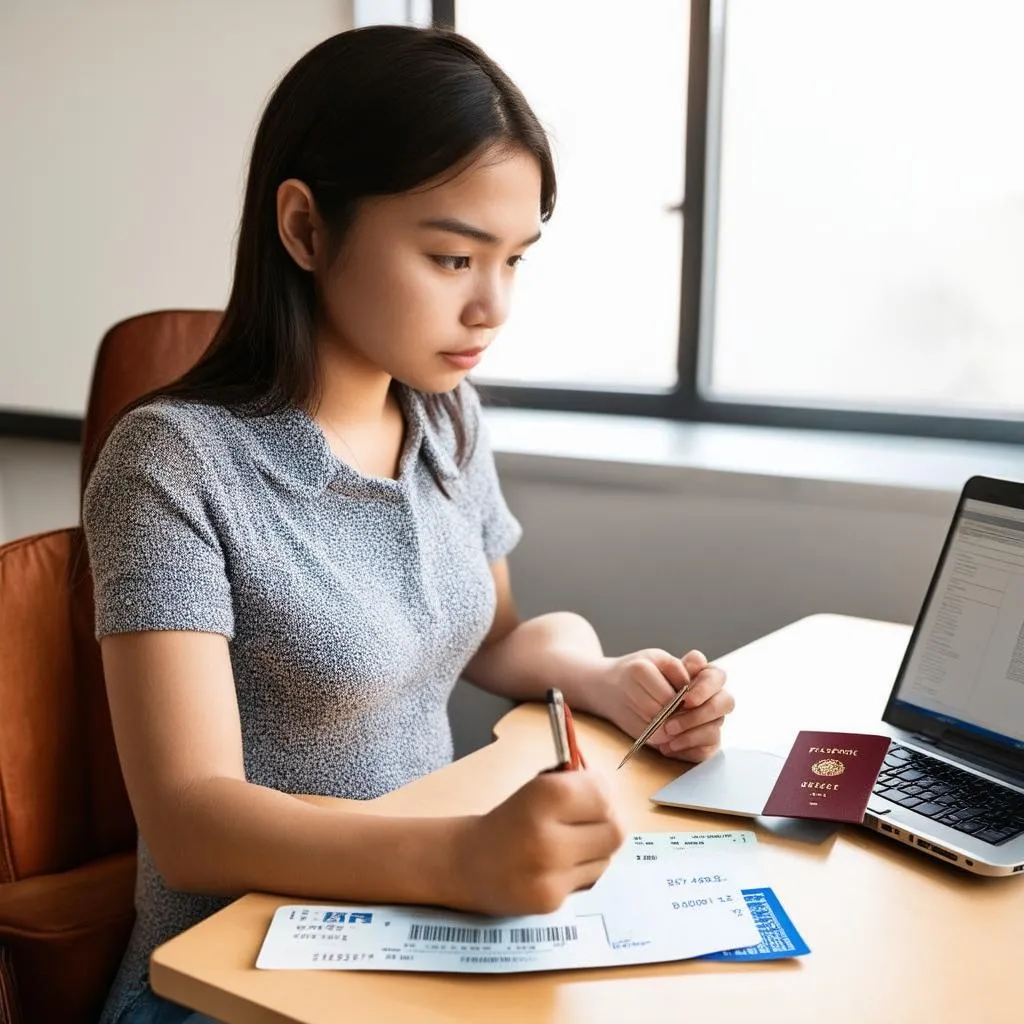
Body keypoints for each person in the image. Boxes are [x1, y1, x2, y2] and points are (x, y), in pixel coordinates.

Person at [82, 25, 735, 1024]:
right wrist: (464, 855)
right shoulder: (173, 462)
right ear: (304, 228)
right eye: (450, 256)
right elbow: (190, 823)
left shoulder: (443, 418)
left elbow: (499, 637)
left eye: (514, 259)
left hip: (416, 939)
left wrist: (603, 679)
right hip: (228, 979)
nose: (492, 305)